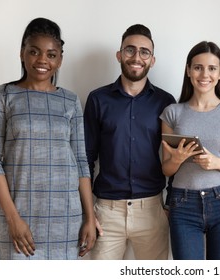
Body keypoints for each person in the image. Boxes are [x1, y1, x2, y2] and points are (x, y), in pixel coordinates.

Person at [0, 17, 96, 260]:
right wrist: (13, 219)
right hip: (18, 219)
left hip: (66, 220)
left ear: (60, 59)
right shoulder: (3, 96)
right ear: (22, 53)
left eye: (51, 54)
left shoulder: (70, 100)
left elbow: (81, 162)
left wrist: (90, 217)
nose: (42, 60)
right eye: (34, 51)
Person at [83, 24, 175, 260]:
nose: (137, 57)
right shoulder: (98, 99)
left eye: (144, 52)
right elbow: (85, 158)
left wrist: (169, 205)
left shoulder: (165, 102)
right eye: (130, 50)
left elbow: (174, 157)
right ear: (119, 54)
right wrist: (87, 213)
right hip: (106, 212)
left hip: (152, 210)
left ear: (152, 60)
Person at [160, 41, 220, 260]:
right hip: (182, 203)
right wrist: (178, 159)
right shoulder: (172, 112)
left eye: (212, 68)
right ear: (188, 70)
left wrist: (217, 163)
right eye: (198, 67)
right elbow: (167, 170)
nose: (204, 74)